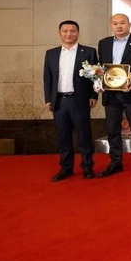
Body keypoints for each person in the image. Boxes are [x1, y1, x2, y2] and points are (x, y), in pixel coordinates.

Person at [43, 20, 98, 182]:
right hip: (59, 101)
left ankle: (87, 167)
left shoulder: (88, 52)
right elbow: (47, 78)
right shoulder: (51, 53)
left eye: (72, 31)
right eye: (65, 31)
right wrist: (48, 99)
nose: (69, 34)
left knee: (84, 135)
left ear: (78, 33)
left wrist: (93, 95)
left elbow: (95, 77)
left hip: (79, 100)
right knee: (63, 136)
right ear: (59, 33)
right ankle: (66, 168)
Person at [96, 14, 131, 178]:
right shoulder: (103, 43)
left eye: (122, 23)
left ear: (129, 25)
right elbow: (101, 68)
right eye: (115, 23)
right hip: (110, 95)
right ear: (111, 26)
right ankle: (115, 162)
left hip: (130, 93)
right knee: (112, 130)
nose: (119, 26)